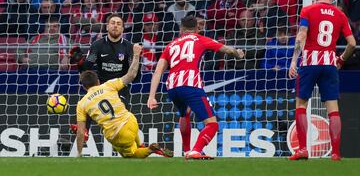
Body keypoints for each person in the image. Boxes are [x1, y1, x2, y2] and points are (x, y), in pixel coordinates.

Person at [147, 16, 245, 159]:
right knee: (212, 124)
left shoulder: (171, 45)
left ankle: (187, 150)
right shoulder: (200, 38)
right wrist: (238, 53)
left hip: (172, 87)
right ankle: (195, 151)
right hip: (190, 85)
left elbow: (158, 71)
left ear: (181, 30)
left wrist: (151, 96)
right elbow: (226, 50)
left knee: (184, 113)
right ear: (197, 29)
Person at [288, 0, 356, 161]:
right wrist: (341, 59)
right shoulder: (340, 14)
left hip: (310, 64)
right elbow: (352, 43)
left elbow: (302, 35)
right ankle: (335, 153)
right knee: (333, 109)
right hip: (329, 64)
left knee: (301, 104)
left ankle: (302, 149)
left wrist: (294, 61)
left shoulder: (308, 10)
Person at [76, 44, 173, 158]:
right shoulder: (109, 85)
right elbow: (131, 75)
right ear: (98, 81)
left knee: (131, 155)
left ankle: (150, 150)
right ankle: (141, 144)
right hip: (131, 121)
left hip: (117, 134)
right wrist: (136, 56)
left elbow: (81, 132)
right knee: (128, 122)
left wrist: (79, 152)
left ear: (84, 87)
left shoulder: (82, 103)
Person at [70, 13, 138, 137]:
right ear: (107, 27)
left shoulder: (129, 47)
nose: (115, 26)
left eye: (119, 24)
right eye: (112, 23)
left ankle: (130, 138)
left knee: (122, 108)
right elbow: (86, 68)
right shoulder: (97, 45)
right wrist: (80, 62)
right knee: (88, 102)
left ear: (123, 28)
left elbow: (136, 77)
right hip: (101, 85)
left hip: (120, 86)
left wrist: (137, 61)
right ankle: (84, 130)